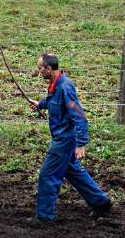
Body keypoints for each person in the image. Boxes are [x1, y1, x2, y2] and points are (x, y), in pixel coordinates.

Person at [30, 53, 112, 222]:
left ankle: (45, 216)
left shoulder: (65, 87)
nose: (39, 72)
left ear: (49, 68)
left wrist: (81, 144)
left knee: (48, 175)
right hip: (63, 138)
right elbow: (53, 101)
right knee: (73, 172)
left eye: (40, 69)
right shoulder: (55, 83)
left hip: (64, 140)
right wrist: (40, 104)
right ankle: (101, 202)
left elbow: (79, 116)